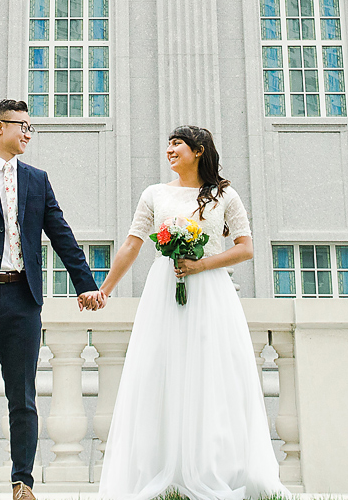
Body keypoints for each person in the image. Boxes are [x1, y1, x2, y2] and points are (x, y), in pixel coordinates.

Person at [95, 125, 284, 500]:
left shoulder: (225, 195)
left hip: (211, 292)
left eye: (176, 145)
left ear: (198, 151)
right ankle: (165, 467)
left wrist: (202, 265)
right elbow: (133, 244)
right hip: (165, 290)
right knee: (160, 370)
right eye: (167, 145)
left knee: (212, 373)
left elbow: (246, 248)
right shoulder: (154, 194)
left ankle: (213, 465)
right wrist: (105, 289)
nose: (169, 151)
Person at [0, 99, 106, 500]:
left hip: (23, 298)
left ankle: (23, 483)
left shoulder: (38, 179)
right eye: (23, 126)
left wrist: (85, 283)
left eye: (31, 127)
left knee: (23, 397)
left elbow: (60, 233)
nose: (29, 133)